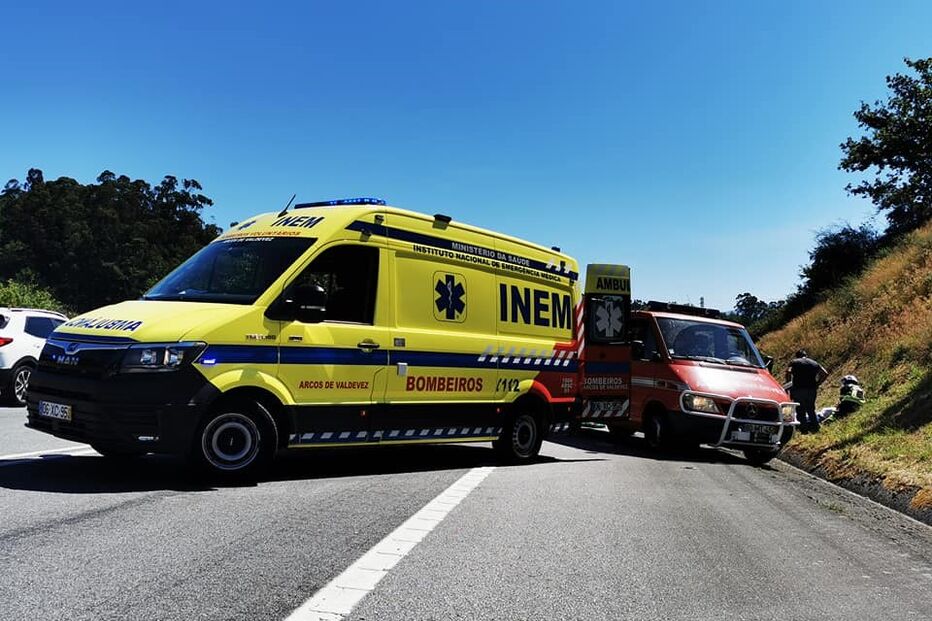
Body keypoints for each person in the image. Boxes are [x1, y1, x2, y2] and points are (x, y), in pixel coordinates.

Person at [785, 349, 828, 433]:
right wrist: (818, 383)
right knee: (811, 409)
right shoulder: (814, 363)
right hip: (811, 389)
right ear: (806, 355)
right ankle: (816, 428)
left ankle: (804, 430)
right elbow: (825, 373)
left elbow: (788, 372)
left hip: (798, 389)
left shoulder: (794, 362)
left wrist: (789, 383)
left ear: (797, 356)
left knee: (800, 410)